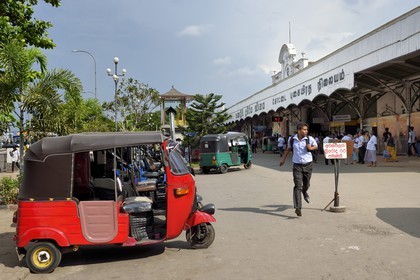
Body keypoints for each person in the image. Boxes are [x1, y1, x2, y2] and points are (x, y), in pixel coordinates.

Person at [279, 122, 318, 217]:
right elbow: (288, 149)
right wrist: (283, 159)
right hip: (297, 165)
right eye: (304, 129)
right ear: (299, 130)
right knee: (297, 185)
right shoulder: (292, 139)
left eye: (306, 129)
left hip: (308, 165)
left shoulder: (309, 139)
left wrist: (310, 148)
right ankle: (298, 207)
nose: (306, 131)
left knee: (307, 184)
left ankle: (305, 192)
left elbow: (316, 146)